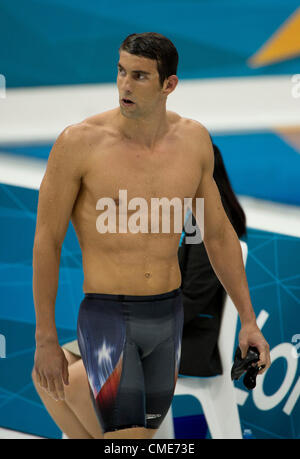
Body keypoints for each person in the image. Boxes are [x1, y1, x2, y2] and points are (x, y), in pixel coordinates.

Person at [32, 32, 270, 440]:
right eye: (121, 72)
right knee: (132, 441)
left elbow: (218, 235)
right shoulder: (79, 144)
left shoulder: (193, 140)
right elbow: (47, 241)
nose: (125, 84)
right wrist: (45, 337)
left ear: (169, 85)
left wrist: (248, 320)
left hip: (167, 319)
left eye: (140, 76)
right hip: (109, 316)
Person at [178, 143, 247, 376]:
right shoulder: (198, 213)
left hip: (188, 341)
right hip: (177, 332)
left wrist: (147, 325)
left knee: (79, 375)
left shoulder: (209, 221)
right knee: (71, 365)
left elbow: (193, 296)